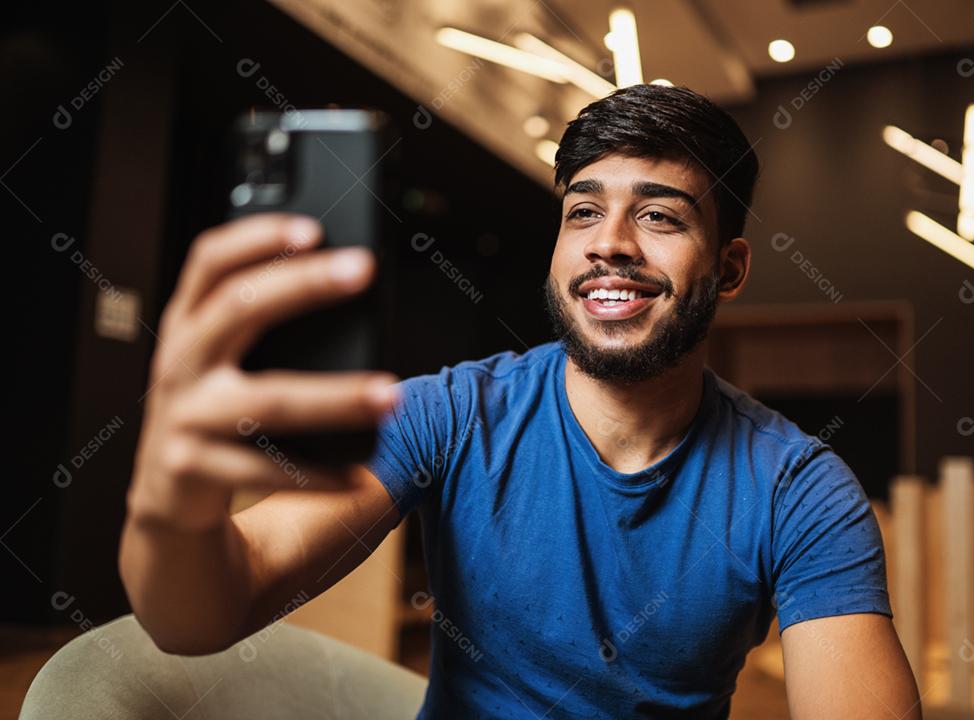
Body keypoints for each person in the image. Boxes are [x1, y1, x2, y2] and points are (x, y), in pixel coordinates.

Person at [25, 84, 921, 719]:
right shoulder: (450, 414)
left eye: (659, 215)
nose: (609, 243)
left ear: (727, 269)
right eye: (582, 211)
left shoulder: (800, 489)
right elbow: (199, 615)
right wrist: (170, 502)